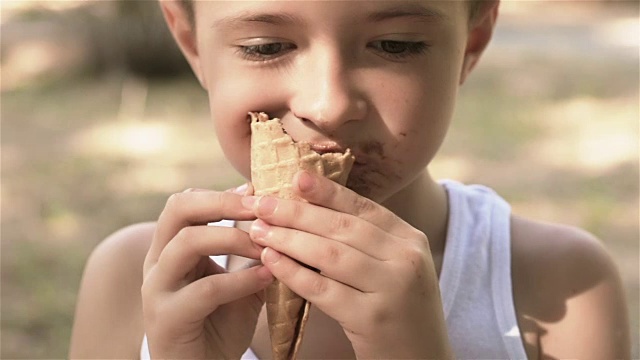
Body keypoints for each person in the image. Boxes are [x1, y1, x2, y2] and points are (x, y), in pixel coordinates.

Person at [69, 0, 631, 358]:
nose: (329, 104)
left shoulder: (559, 287)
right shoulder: (133, 282)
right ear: (192, 41)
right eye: (266, 46)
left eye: (396, 44)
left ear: (473, 41)